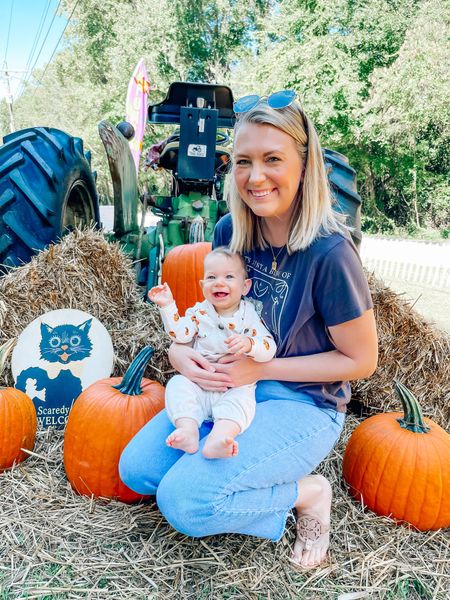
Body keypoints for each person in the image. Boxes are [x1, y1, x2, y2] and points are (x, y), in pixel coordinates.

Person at [119, 91, 378, 570]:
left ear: (304, 163)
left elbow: (361, 360)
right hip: (225, 391)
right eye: (243, 161)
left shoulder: (330, 253)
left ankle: (307, 493)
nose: (255, 177)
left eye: (272, 159)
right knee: (135, 471)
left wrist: (257, 369)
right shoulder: (229, 234)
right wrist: (179, 357)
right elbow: (207, 320)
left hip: (303, 403)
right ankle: (218, 471)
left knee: (185, 504)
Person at [147, 248, 276, 459]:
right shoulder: (199, 313)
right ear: (202, 285)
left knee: (241, 402)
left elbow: (269, 349)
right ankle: (188, 429)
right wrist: (168, 306)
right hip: (199, 385)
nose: (219, 282)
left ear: (245, 286)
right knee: (177, 385)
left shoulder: (249, 315)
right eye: (211, 277)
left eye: (229, 277)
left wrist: (250, 344)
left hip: (232, 386)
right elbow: (180, 335)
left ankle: (219, 438)